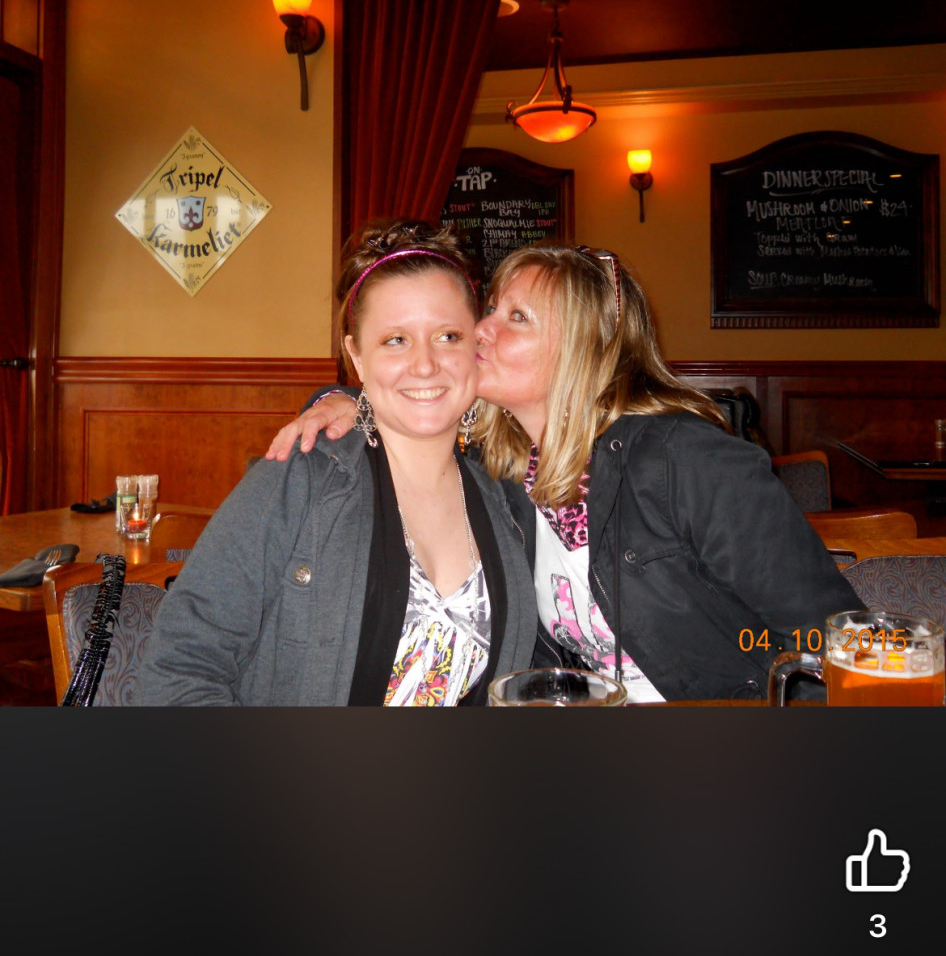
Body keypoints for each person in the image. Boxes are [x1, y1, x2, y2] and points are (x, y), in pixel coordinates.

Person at [268, 244, 861, 702]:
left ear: (582, 348)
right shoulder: (501, 472)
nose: (480, 329)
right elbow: (411, 398)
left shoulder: (686, 461)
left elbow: (833, 643)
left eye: (517, 317)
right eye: (491, 309)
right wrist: (342, 399)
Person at [134, 222, 535, 706]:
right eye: (395, 340)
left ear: (477, 345)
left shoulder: (508, 496)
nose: (425, 364)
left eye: (448, 336)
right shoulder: (300, 477)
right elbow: (176, 672)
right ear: (356, 357)